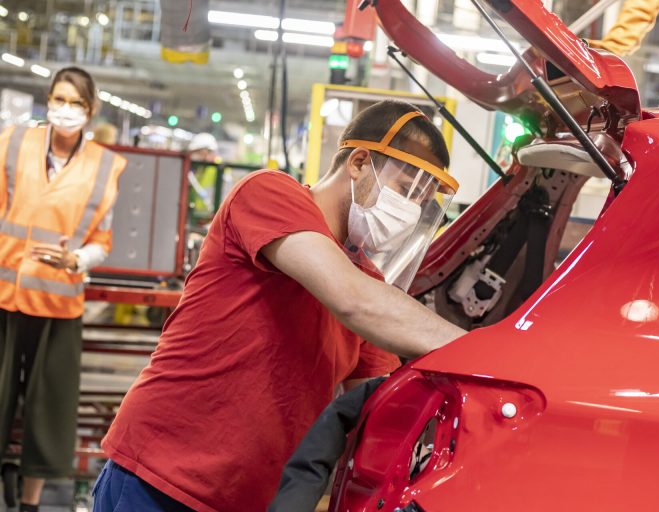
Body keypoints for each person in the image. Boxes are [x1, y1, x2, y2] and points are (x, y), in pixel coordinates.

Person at [93, 99, 467, 512]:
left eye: (421, 201)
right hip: (161, 478)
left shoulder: (370, 286)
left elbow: (372, 409)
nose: (410, 211)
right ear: (359, 162)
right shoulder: (270, 194)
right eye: (405, 189)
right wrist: (483, 350)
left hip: (252, 499)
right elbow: (352, 300)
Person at [0, 67, 126, 511]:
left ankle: (31, 505)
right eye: (58, 99)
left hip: (58, 303)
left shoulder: (104, 167)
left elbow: (102, 242)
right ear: (47, 100)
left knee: (46, 412)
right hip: (3, 297)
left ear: (89, 111)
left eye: (75, 103)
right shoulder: (14, 143)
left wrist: (78, 259)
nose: (64, 110)